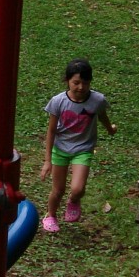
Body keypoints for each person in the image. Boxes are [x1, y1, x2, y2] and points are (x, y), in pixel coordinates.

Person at [39, 58, 117, 233]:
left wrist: (110, 129)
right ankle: (50, 215)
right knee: (58, 190)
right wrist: (47, 160)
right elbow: (51, 131)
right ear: (67, 81)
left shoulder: (97, 100)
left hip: (83, 149)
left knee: (78, 188)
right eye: (76, 83)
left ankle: (74, 201)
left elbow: (102, 116)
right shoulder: (58, 101)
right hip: (61, 149)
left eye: (85, 83)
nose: (81, 87)